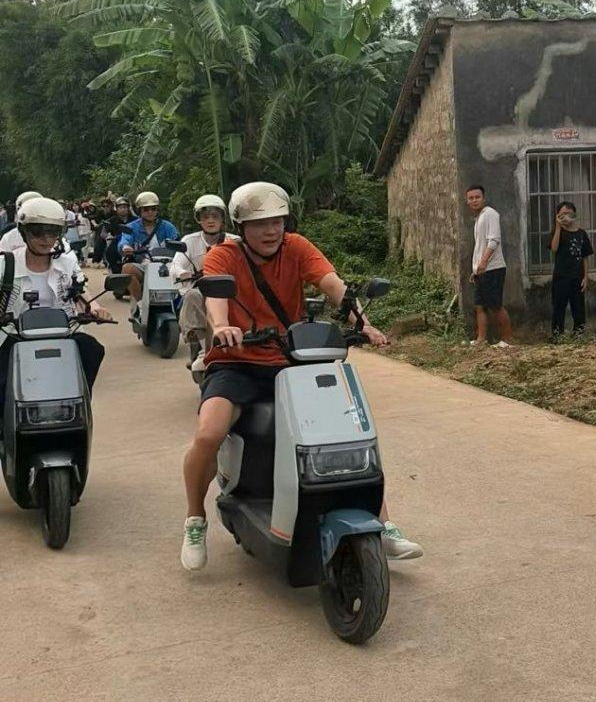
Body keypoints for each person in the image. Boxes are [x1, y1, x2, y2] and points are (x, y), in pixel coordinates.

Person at [180, 181, 423, 571]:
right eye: (260, 224)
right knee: (209, 433)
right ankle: (195, 518)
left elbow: (332, 284)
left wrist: (363, 322)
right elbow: (216, 298)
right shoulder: (224, 255)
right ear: (241, 226)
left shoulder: (296, 247)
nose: (271, 231)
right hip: (236, 362)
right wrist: (222, 326)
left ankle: (384, 520)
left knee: (346, 430)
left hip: (290, 359)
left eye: (277, 221)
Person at [0, 197, 112, 421]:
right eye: (38, 232)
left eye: (52, 233)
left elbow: (80, 290)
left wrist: (95, 308)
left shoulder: (66, 263)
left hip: (63, 334)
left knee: (92, 349)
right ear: (24, 232)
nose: (46, 239)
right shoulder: (6, 264)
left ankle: (80, 408)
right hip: (15, 335)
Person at [169, 194, 238, 363]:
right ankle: (203, 350)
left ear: (223, 219)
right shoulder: (189, 241)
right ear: (199, 220)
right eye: (206, 217)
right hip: (200, 289)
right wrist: (182, 273)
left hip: (230, 292)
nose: (210, 221)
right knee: (192, 295)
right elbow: (176, 264)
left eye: (215, 216)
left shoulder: (235, 242)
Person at [465, 184, 512, 348]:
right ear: (467, 201)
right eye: (471, 198)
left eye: (477, 197)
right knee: (480, 306)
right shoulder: (479, 218)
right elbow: (479, 246)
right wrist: (475, 269)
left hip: (493, 268)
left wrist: (484, 262)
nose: (474, 200)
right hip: (481, 270)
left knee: (495, 306)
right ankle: (481, 339)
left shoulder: (490, 214)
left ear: (484, 198)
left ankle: (507, 340)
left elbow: (494, 240)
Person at [119, 191, 180, 303]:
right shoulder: (131, 227)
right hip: (143, 265)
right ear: (139, 211)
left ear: (157, 210)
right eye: (146, 209)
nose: (150, 212)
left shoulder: (168, 227)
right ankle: (139, 304)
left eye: (153, 209)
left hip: (168, 266)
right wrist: (125, 247)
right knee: (127, 268)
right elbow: (124, 240)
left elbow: (178, 242)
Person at [549, 201, 594, 337]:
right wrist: (558, 227)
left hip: (577, 277)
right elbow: (554, 248)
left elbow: (585, 256)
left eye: (568, 214)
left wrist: (585, 277)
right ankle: (557, 335)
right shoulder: (557, 232)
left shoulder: (581, 234)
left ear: (574, 215)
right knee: (558, 307)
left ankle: (578, 334)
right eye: (561, 214)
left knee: (578, 308)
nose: (565, 217)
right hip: (561, 277)